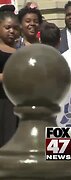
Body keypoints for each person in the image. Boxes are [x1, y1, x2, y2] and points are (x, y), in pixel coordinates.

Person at [0, 6, 20, 148]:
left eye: (15, 28)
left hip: (17, 103)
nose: (12, 31)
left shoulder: (21, 51)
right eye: (7, 27)